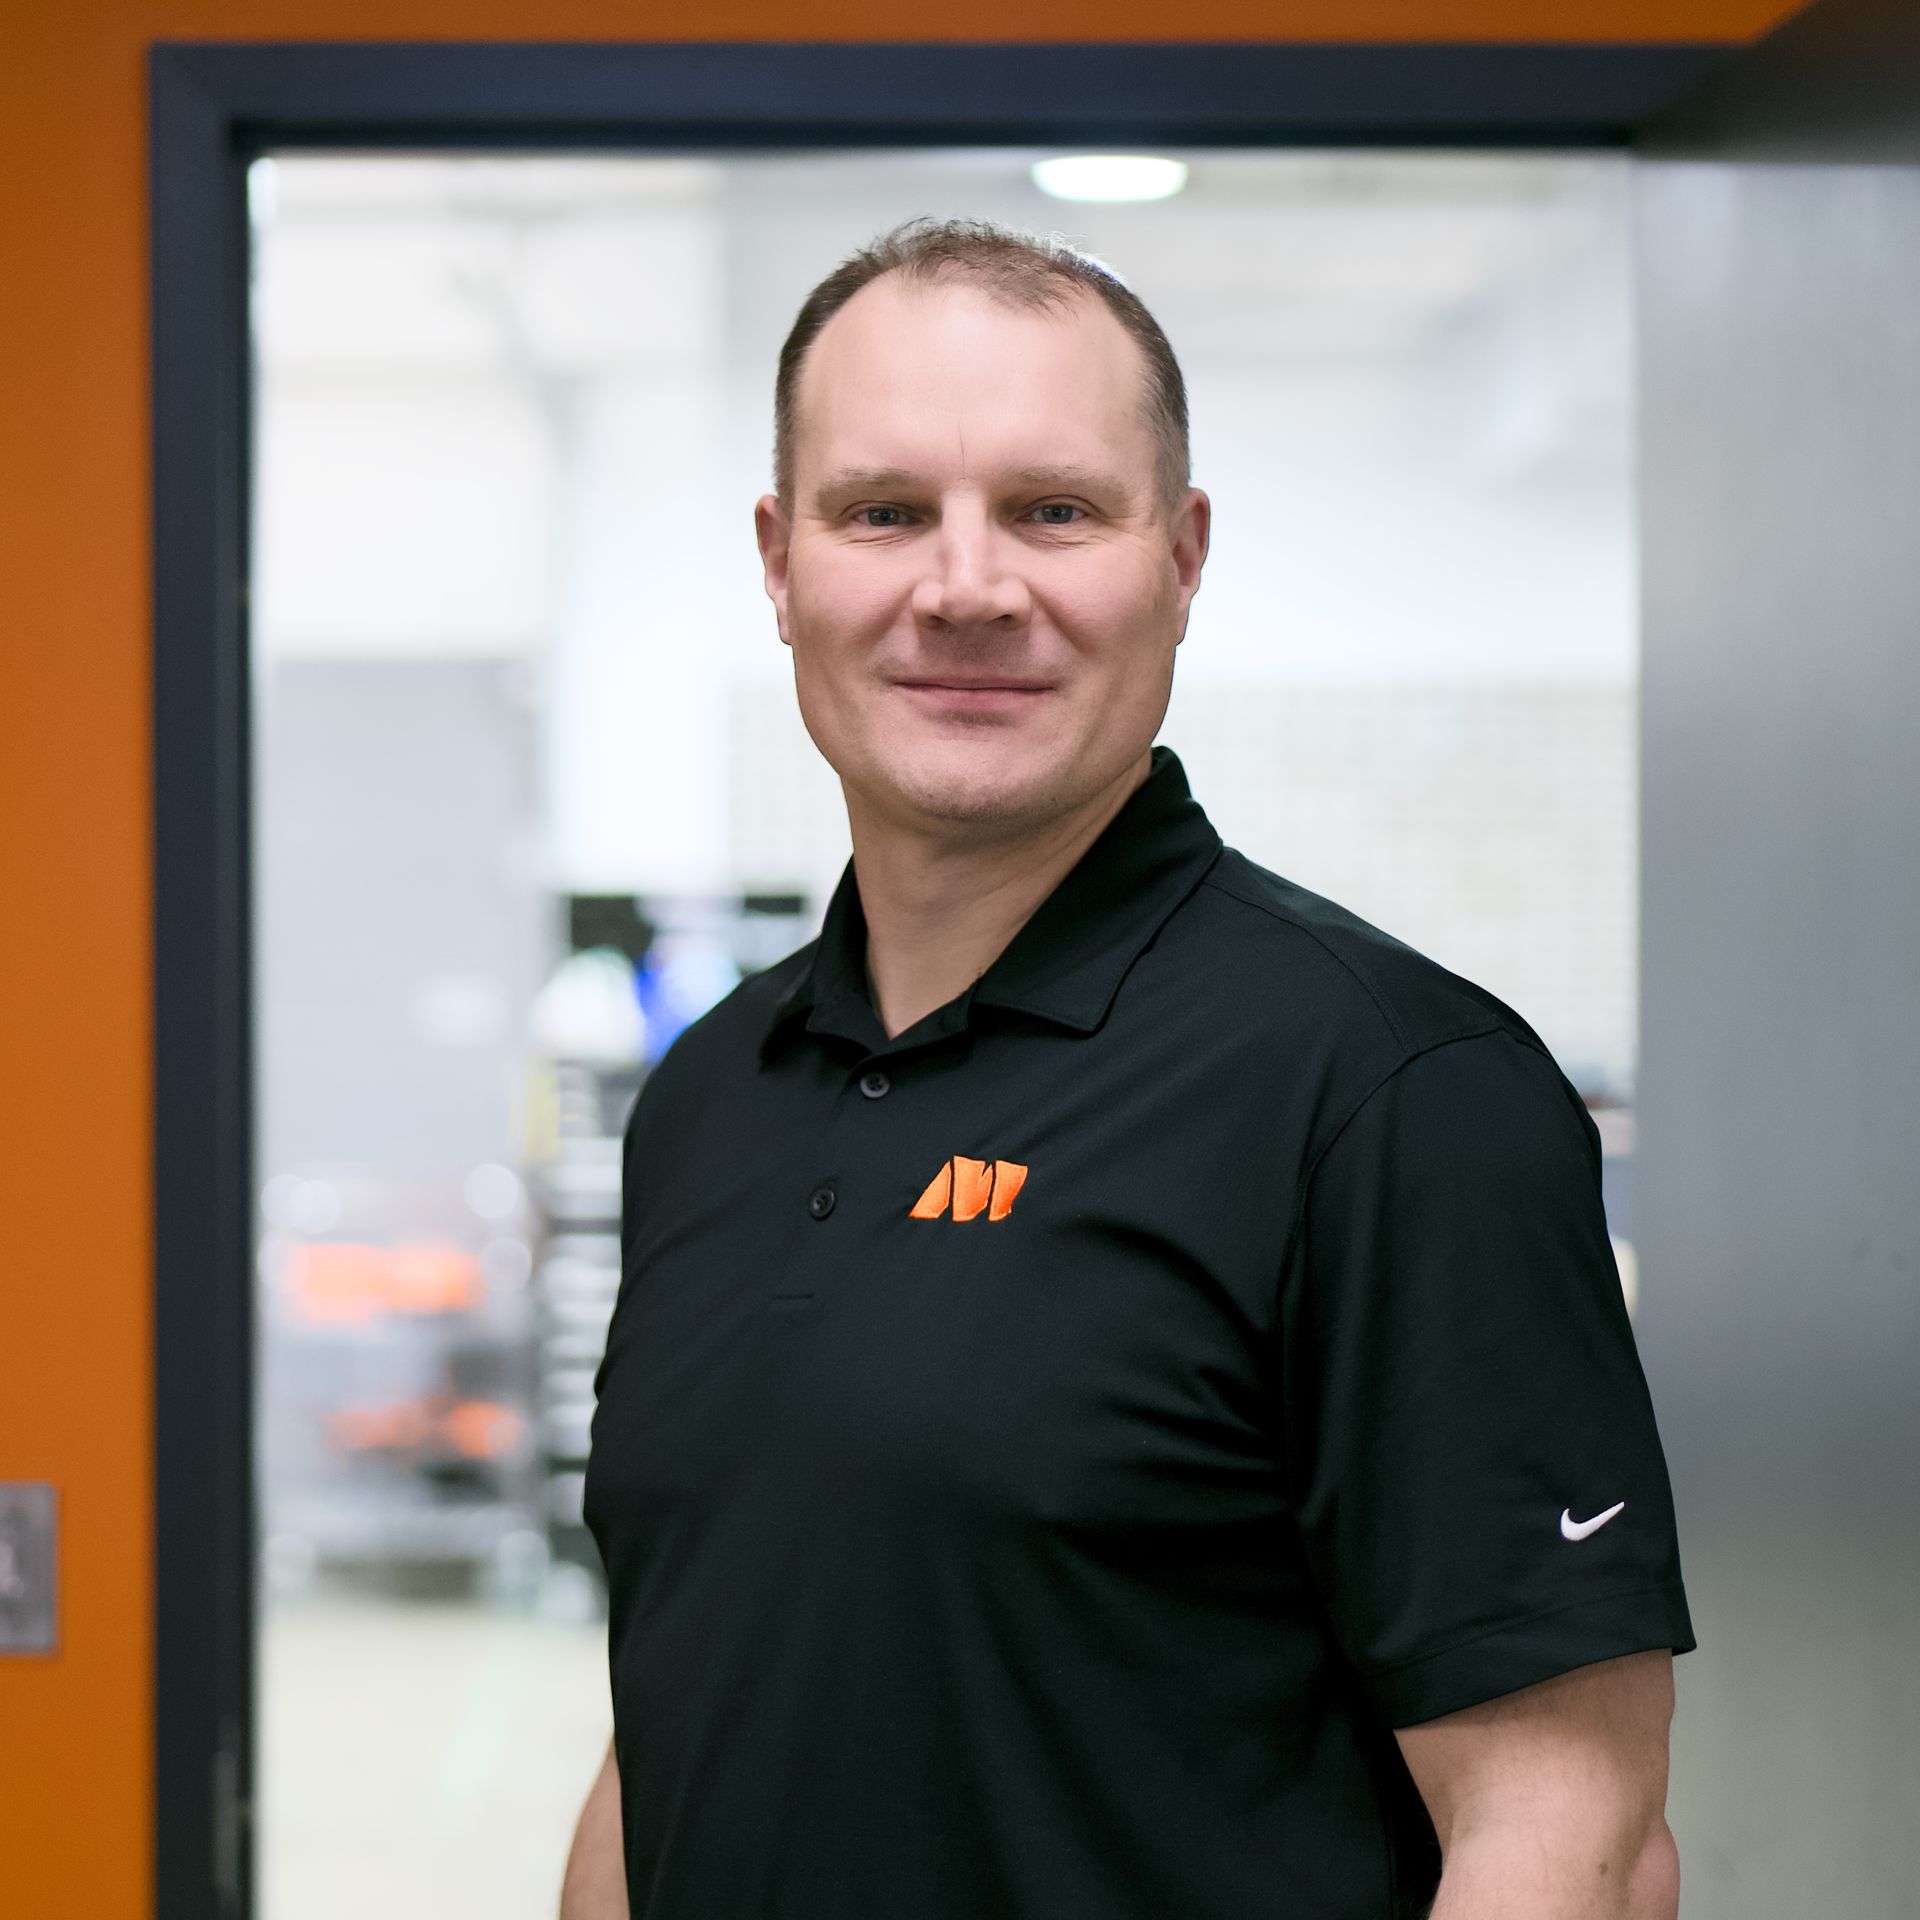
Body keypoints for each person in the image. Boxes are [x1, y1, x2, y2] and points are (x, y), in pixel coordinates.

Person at [561, 217, 1695, 1920]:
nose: (965, 587)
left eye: (1052, 510)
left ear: (1180, 556)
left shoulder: (1389, 1093)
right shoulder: (713, 1093)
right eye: (885, 512)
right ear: (782, 565)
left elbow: (1569, 1834)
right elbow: (670, 1716)